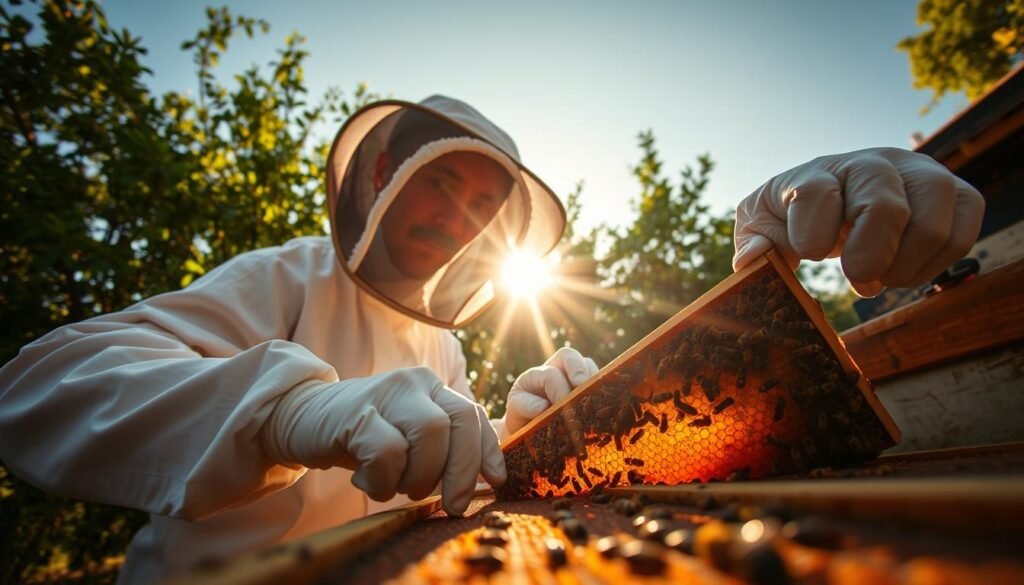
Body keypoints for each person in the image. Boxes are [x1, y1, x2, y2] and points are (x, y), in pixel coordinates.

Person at [0, 95, 983, 583]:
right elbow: (37, 389)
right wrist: (294, 408)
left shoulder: (444, 357)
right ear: (380, 168)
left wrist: (525, 442)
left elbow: (446, 511)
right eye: (441, 179)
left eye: (480, 204)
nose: (457, 216)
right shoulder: (288, 275)